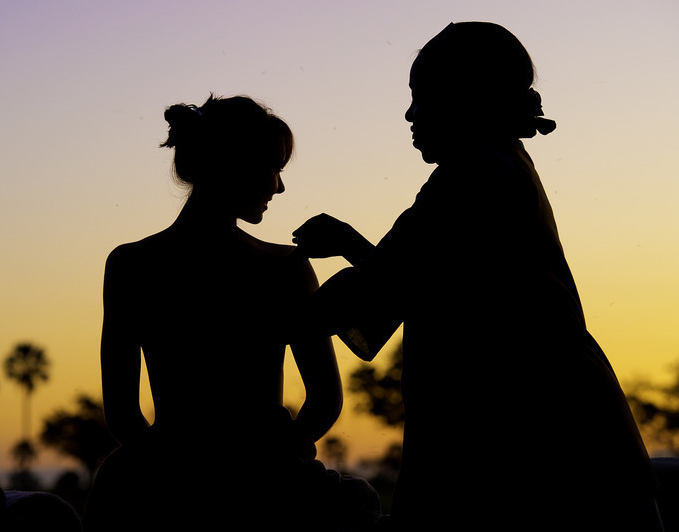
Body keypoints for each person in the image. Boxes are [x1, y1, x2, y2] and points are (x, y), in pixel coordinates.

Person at [292, 22, 663, 531]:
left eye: (420, 97)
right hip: (549, 432)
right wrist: (351, 246)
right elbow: (424, 277)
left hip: (530, 440)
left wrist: (252, 317)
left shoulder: (472, 176)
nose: (409, 114)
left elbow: (388, 285)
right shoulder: (498, 166)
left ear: (459, 99)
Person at [83, 95, 380, 531]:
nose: (279, 187)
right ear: (234, 165)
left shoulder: (132, 264)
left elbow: (124, 416)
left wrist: (176, 472)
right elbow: (324, 401)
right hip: (274, 488)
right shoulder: (285, 268)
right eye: (274, 168)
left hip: (161, 483)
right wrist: (271, 462)